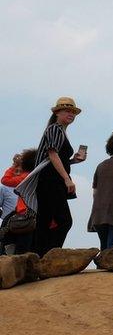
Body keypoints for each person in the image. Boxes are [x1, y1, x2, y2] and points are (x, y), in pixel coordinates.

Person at [17, 97, 87, 257]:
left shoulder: (59, 131)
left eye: (73, 112)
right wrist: (67, 179)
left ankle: (38, 255)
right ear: (57, 112)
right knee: (63, 220)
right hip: (50, 180)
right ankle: (48, 256)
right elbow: (52, 154)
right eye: (67, 111)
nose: (71, 114)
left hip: (49, 179)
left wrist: (73, 161)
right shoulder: (55, 129)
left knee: (45, 220)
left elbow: (53, 159)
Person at [1, 150, 36, 254]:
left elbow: (5, 179)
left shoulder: (26, 177)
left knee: (18, 247)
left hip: (24, 216)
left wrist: (14, 165)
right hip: (33, 215)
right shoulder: (36, 175)